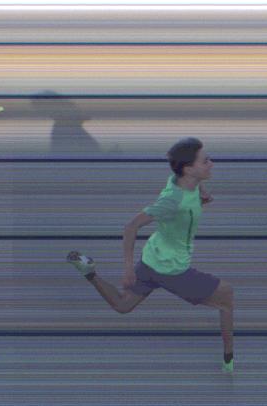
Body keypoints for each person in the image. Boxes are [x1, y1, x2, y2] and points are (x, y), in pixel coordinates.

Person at [67, 138, 236, 372]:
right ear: (189, 169)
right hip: (173, 270)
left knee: (123, 305)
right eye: (205, 161)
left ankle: (90, 272)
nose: (212, 163)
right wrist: (128, 269)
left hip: (151, 259)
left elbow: (189, 188)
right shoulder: (172, 202)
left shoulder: (179, 180)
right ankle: (229, 361)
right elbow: (131, 227)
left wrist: (202, 194)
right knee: (226, 297)